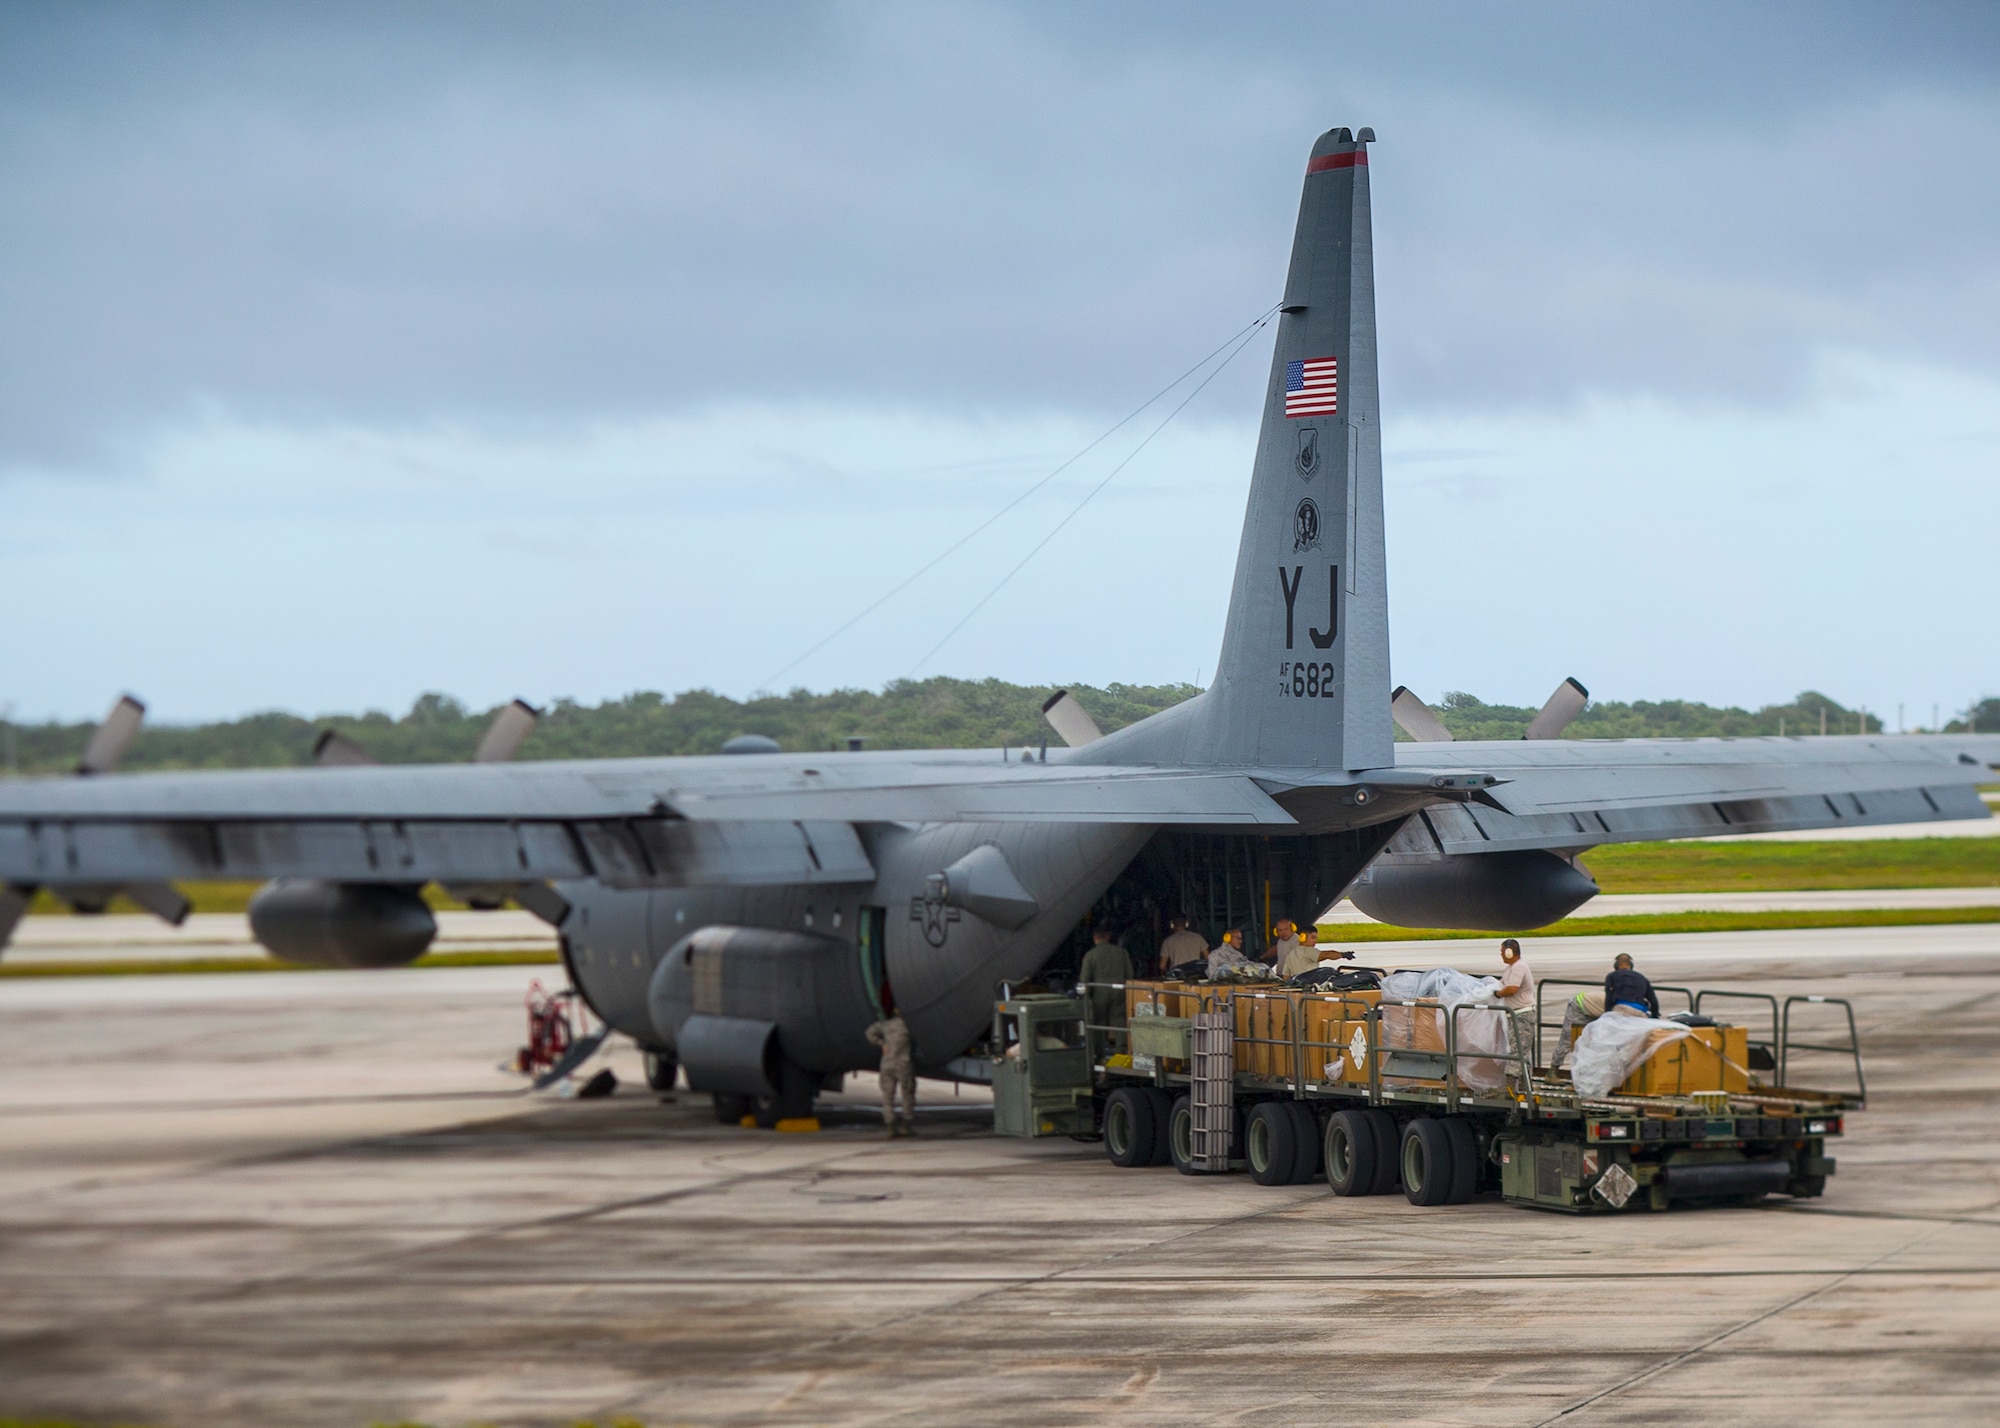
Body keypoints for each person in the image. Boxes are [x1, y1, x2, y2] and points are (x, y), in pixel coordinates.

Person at [1077, 926, 1134, 1060]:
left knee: (1098, 1022)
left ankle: (1100, 1052)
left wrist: (1084, 997)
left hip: (1100, 990)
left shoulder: (1090, 955)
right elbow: (1130, 974)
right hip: (1119, 989)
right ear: (1108, 937)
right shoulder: (1121, 952)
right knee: (1120, 1020)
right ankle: (1121, 1052)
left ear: (1095, 938)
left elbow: (1084, 979)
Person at [865, 1009, 917, 1137]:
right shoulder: (908, 1025)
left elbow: (869, 1033)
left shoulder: (885, 1025)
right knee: (907, 1094)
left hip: (887, 1064)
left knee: (888, 1096)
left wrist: (881, 1043)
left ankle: (890, 1127)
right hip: (903, 1064)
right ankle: (906, 1126)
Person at [1603, 952, 1661, 1018]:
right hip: (1640, 1011)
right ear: (1631, 965)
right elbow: (1654, 1002)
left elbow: (1609, 998)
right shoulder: (1642, 977)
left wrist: (1607, 1015)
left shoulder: (1612, 976)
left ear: (1616, 965)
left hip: (1621, 1009)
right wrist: (1655, 1018)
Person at [1492, 938, 1536, 1010]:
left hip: (1522, 1011)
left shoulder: (1519, 967)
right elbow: (1501, 984)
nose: (1501, 954)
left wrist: (1497, 994)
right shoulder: (1511, 967)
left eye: (1502, 951)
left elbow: (1512, 989)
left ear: (1508, 952)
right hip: (1515, 1011)